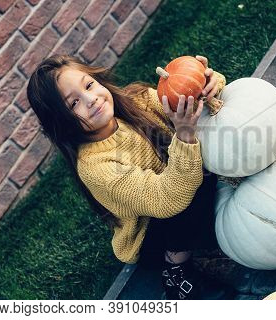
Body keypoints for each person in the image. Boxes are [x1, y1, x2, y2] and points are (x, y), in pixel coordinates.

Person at [26, 54, 232, 299]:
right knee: (197, 177)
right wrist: (184, 135)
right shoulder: (96, 167)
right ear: (62, 123)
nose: (91, 100)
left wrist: (205, 84)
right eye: (73, 104)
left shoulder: (140, 100)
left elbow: (189, 99)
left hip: (183, 189)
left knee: (199, 171)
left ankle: (211, 227)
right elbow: (168, 198)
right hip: (153, 231)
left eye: (89, 85)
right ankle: (176, 269)